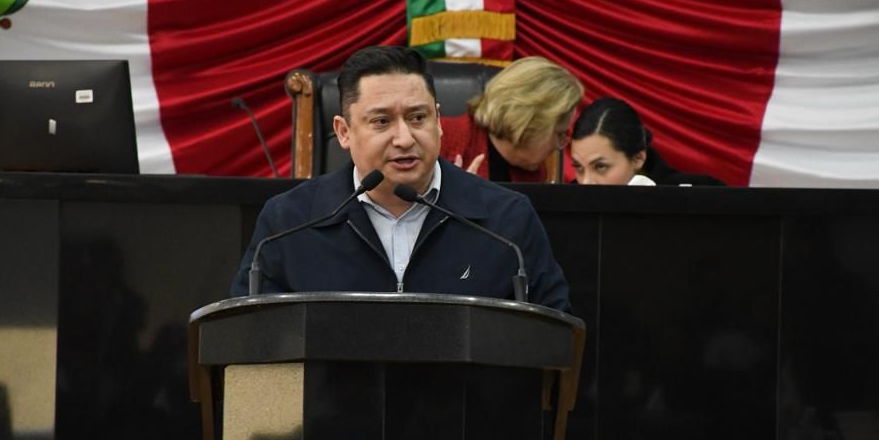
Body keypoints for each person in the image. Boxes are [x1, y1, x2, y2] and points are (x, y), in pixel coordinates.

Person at [230, 45, 570, 312]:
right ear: (344, 132)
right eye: (381, 122)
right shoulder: (289, 222)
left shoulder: (506, 220)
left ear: (438, 121)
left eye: (418, 117)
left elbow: (554, 338)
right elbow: (248, 343)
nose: (405, 138)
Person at [440, 56, 584, 182]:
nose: (559, 146)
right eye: (560, 134)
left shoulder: (534, 173)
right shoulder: (441, 140)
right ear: (530, 123)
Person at [569, 98, 725, 186]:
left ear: (638, 158)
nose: (586, 182)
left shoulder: (702, 192)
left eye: (600, 166)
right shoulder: (565, 204)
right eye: (579, 168)